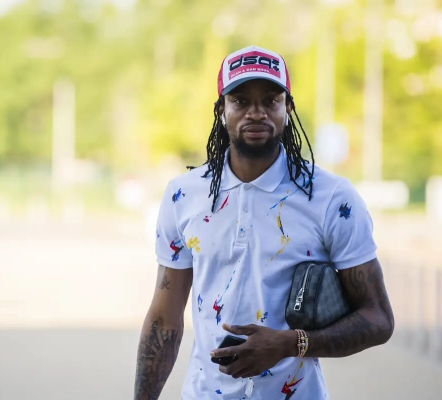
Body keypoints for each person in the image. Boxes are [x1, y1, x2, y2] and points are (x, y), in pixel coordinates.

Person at [134, 45, 394, 400]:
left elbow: (378, 318)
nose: (256, 113)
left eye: (270, 100)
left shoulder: (332, 197)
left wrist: (291, 343)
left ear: (288, 109)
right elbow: (164, 319)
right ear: (221, 110)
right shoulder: (184, 195)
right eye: (240, 101)